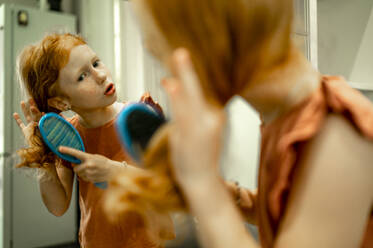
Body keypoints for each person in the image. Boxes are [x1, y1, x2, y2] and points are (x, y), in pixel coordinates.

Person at [106, 0, 373, 247]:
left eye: (165, 57)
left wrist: (204, 185)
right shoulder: (283, 114)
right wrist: (235, 197)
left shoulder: (337, 134)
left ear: (209, 42)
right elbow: (290, 211)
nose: (171, 78)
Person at [13, 33, 174, 248]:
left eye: (96, 63)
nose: (99, 75)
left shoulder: (139, 116)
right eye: (82, 76)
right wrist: (40, 152)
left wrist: (113, 170)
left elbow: (168, 186)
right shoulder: (68, 136)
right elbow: (57, 205)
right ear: (61, 102)